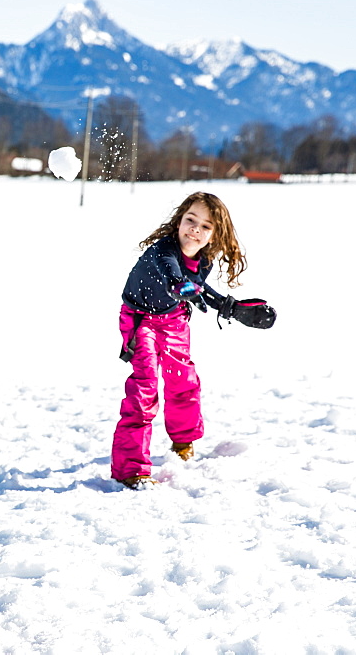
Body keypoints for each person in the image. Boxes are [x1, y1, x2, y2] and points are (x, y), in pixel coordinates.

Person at [112, 191, 275, 490]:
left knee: (183, 380)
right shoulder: (162, 251)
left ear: (215, 234)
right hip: (140, 320)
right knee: (144, 387)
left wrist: (231, 308)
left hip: (174, 320)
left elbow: (199, 287)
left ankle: (183, 441)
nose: (195, 229)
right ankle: (131, 469)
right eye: (190, 220)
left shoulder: (203, 260)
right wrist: (179, 285)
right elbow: (170, 272)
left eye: (206, 226)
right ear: (179, 220)